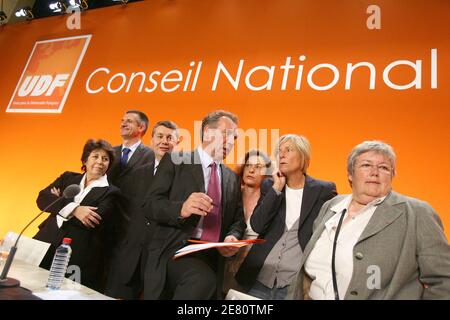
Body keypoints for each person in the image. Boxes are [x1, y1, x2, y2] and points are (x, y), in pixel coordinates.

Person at [289, 140, 450, 300]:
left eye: (384, 168)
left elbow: (444, 280)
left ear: (392, 176)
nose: (375, 172)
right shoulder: (331, 206)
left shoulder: (417, 213)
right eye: (366, 165)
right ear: (350, 174)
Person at [143, 110, 246, 300]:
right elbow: (150, 205)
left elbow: (238, 221)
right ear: (207, 132)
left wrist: (232, 236)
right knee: (201, 280)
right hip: (175, 249)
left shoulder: (231, 178)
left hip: (212, 257)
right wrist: (180, 209)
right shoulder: (175, 161)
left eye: (235, 137)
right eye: (226, 134)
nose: (231, 142)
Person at [235, 134, 337, 300]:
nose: (281, 154)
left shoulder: (323, 190)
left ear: (303, 156)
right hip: (258, 280)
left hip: (294, 286)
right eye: (279, 151)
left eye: (288, 150)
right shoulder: (270, 186)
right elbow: (257, 225)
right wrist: (276, 189)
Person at [105, 121, 180, 299]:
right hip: (128, 256)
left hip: (160, 260)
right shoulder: (136, 173)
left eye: (170, 137)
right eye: (160, 136)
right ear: (152, 140)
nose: (164, 141)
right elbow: (122, 209)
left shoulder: (185, 176)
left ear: (177, 142)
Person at [34, 139, 120, 291]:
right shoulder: (68, 178)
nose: (100, 162)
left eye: (105, 159)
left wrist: (58, 205)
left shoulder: (111, 192)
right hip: (47, 240)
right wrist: (75, 209)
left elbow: (91, 220)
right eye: (95, 156)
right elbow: (42, 199)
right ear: (85, 159)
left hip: (78, 254)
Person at [223, 150, 271, 294]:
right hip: (223, 264)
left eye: (258, 167)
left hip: (253, 274)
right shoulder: (229, 194)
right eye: (248, 165)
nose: (251, 170)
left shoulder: (270, 202)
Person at [107, 110, 155, 243]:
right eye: (122, 121)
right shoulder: (109, 152)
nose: (123, 124)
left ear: (141, 127)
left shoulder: (151, 155)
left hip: (130, 221)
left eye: (129, 121)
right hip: (104, 216)